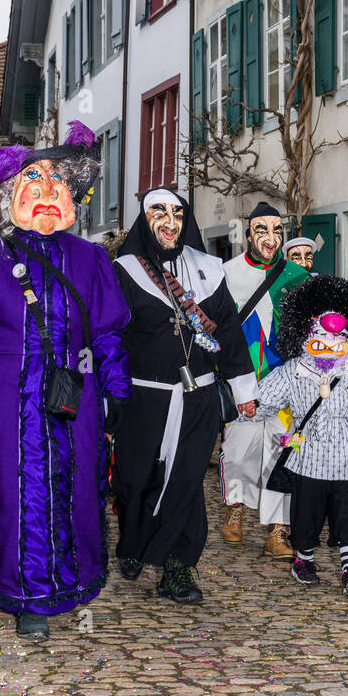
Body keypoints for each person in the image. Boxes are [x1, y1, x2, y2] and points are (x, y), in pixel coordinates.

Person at [0, 122, 132, 639]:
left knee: (78, 483)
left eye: (57, 185)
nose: (48, 193)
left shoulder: (90, 258)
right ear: (8, 195)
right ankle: (27, 596)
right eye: (34, 183)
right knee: (19, 487)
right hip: (8, 389)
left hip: (75, 387)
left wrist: (118, 391)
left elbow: (109, 334)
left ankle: (74, 581)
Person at [110, 189, 257, 604]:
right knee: (135, 480)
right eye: (159, 211)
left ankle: (178, 568)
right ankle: (134, 542)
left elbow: (227, 331)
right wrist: (108, 392)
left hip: (200, 397)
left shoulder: (210, 269)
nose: (170, 220)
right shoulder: (123, 271)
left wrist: (243, 389)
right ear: (144, 220)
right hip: (144, 398)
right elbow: (110, 337)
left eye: (177, 212)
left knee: (188, 482)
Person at [254, 275, 348, 597]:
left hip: (347, 460)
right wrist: (244, 406)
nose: (328, 342)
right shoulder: (294, 369)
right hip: (308, 459)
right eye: (320, 335)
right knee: (306, 514)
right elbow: (263, 400)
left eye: (335, 337)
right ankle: (304, 560)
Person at [218, 203, 308, 558]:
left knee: (281, 453)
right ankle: (235, 507)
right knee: (238, 451)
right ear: (248, 234)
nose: (270, 238)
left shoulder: (297, 276)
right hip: (243, 379)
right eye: (262, 230)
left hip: (285, 380)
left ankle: (278, 530)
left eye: (276, 230)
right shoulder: (226, 273)